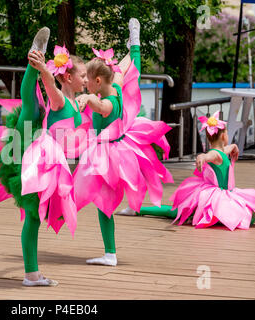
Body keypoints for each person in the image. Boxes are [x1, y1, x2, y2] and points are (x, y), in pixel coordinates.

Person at [0, 27, 78, 287]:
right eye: (81, 74)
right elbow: (43, 90)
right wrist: (39, 65)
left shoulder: (75, 102)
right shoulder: (58, 100)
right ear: (69, 77)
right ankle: (31, 274)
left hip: (39, 152)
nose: (84, 78)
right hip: (29, 155)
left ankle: (32, 273)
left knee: (34, 217)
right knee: (32, 216)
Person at [73, 18, 173, 266]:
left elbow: (99, 105)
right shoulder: (115, 87)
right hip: (119, 147)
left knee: (103, 203)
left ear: (97, 82)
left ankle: (110, 254)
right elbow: (126, 69)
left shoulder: (106, 102)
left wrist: (86, 99)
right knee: (108, 197)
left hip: (107, 155)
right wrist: (133, 49)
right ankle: (113, 245)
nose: (84, 81)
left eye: (87, 78)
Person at [120, 111, 255, 231]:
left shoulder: (223, 150)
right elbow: (209, 155)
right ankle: (137, 210)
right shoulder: (216, 154)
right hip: (213, 196)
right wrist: (202, 158)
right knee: (176, 212)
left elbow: (226, 150)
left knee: (244, 211)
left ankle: (137, 209)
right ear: (223, 137)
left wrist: (234, 147)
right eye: (227, 134)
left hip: (224, 194)